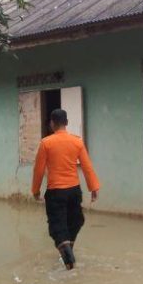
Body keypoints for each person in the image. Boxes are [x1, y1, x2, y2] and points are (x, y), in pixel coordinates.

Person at [32, 108, 100, 269]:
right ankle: (68, 252)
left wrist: (35, 191)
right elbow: (87, 166)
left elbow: (39, 170)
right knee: (75, 221)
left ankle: (69, 263)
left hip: (56, 192)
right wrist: (93, 187)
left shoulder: (46, 143)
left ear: (51, 124)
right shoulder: (77, 142)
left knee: (58, 226)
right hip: (74, 191)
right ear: (67, 123)